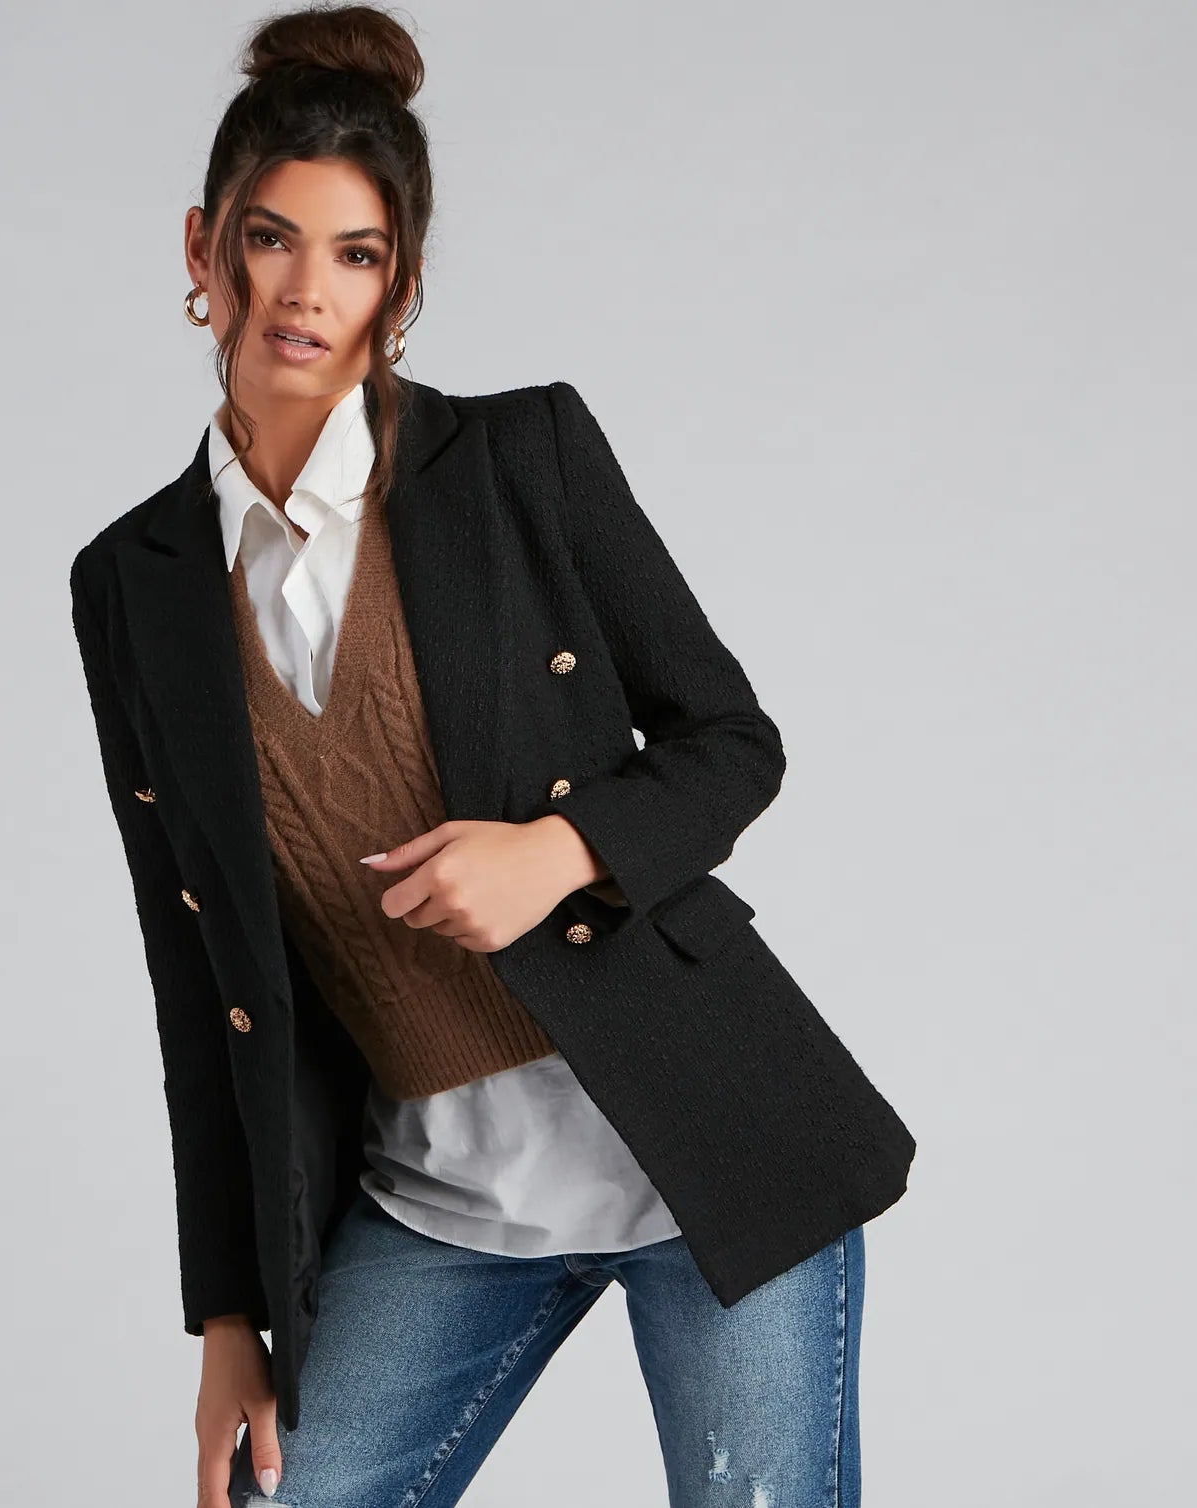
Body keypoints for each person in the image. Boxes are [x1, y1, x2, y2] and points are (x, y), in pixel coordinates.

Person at [67, 7, 917, 1506]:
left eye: (356, 255)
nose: (306, 292)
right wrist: (229, 1314)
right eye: (270, 240)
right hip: (435, 1197)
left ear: (400, 286)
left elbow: (733, 742)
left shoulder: (522, 460)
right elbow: (195, 973)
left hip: (702, 1144)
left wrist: (564, 852)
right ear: (203, 248)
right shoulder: (132, 583)